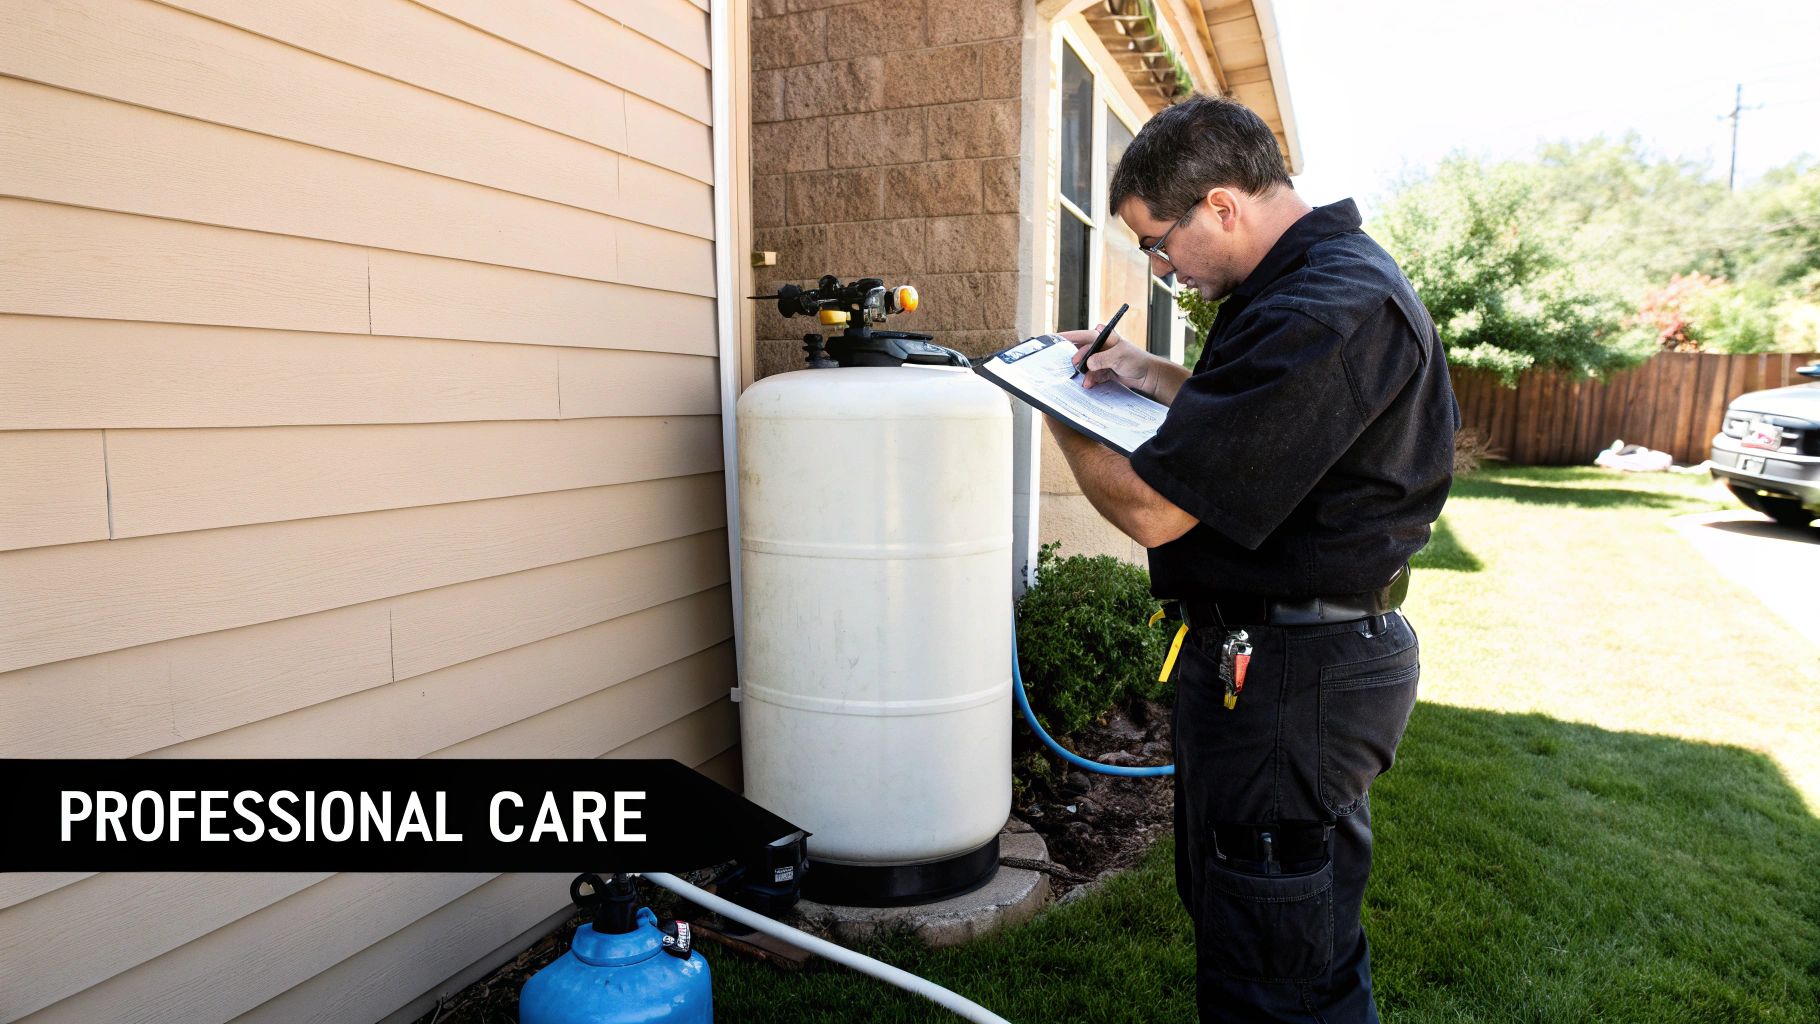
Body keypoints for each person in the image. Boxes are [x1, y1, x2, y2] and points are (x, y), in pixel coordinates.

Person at [1045, 95, 1458, 1022]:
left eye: (1158, 242)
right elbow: (1259, 413)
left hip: (1294, 675)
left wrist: (1056, 411)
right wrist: (1143, 372)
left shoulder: (1331, 307)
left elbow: (1155, 511)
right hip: (1276, 664)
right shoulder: (1300, 288)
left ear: (1222, 207)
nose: (1159, 265)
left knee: (1279, 968)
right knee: (1261, 924)